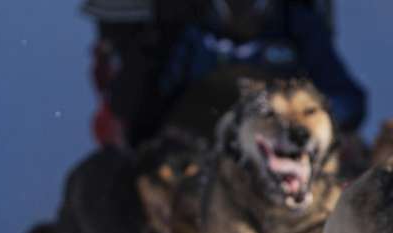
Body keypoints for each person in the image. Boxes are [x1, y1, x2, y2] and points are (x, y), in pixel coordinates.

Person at [82, 0, 366, 148]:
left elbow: (344, 98)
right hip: (203, 152)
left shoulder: (296, 25)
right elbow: (147, 104)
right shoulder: (187, 30)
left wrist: (315, 123)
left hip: (282, 147)